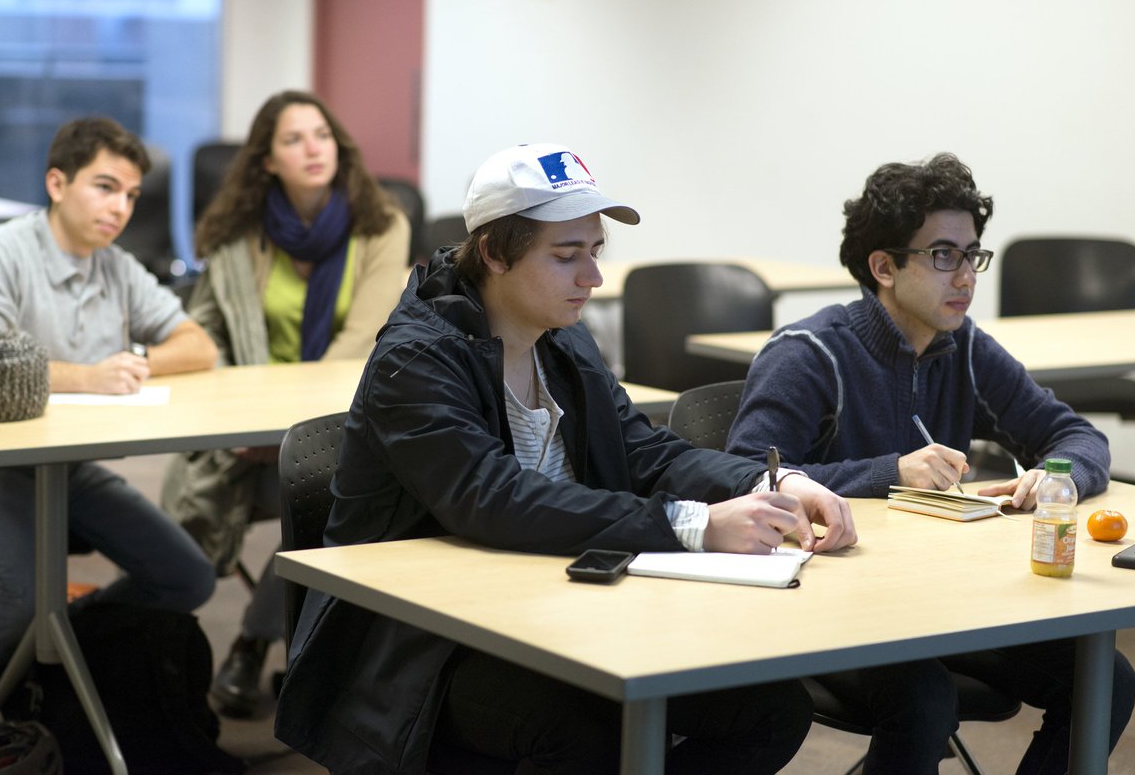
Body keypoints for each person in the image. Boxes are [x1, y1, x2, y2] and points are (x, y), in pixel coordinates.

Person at [274, 142, 858, 774]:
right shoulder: (416, 359)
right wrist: (694, 525)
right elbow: (494, 500)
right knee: (587, 733)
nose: (593, 277)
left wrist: (775, 481)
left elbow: (643, 451)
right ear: (493, 253)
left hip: (558, 604)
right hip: (425, 644)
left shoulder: (562, 338)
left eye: (595, 251)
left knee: (771, 710)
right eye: (565, 255)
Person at [726, 152, 1135, 774]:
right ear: (884, 267)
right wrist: (890, 471)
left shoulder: (961, 346)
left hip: (940, 604)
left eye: (972, 255)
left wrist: (1055, 478)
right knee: (923, 701)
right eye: (944, 255)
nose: (966, 276)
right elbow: (746, 476)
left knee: (1105, 678)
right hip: (828, 607)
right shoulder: (810, 353)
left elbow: (1073, 434)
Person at [0, 116, 218, 731]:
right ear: (57, 184)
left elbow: (198, 345)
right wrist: (88, 376)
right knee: (23, 587)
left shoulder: (114, 265)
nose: (120, 208)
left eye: (131, 195)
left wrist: (138, 359)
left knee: (186, 577)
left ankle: (56, 647)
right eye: (105, 187)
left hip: (65, 466)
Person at [160, 90, 410, 718]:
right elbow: (205, 335)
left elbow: (364, 342)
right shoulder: (236, 236)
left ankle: (253, 640)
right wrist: (236, 421)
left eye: (321, 135)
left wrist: (289, 434)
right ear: (267, 160)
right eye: (293, 139)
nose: (312, 149)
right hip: (244, 434)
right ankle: (161, 661)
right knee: (180, 516)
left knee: (327, 494)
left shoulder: (382, 225)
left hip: (337, 428)